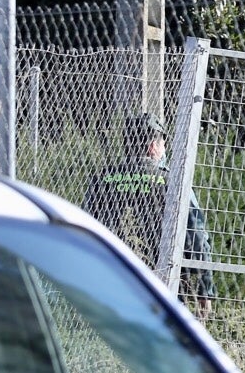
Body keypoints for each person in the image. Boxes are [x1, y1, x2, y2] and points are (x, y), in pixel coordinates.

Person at [82, 113, 216, 319]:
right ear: (153, 145)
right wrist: (205, 289)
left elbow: (84, 231)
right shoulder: (174, 182)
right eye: (163, 142)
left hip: (111, 280)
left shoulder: (103, 179)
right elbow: (196, 235)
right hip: (163, 284)